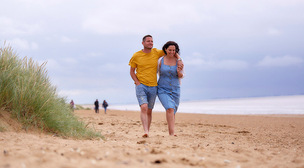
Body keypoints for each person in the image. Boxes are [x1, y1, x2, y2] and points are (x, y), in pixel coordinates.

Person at [129, 35, 183, 138]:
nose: (150, 43)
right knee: (144, 107)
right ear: (143, 43)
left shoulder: (156, 52)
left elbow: (171, 51)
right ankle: (146, 131)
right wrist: (137, 82)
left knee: (149, 110)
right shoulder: (136, 55)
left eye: (152, 41)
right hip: (141, 85)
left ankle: (147, 131)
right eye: (148, 41)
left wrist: (179, 59)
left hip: (154, 86)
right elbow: (131, 71)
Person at [157, 41, 184, 136]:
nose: (172, 52)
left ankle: (171, 131)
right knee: (169, 109)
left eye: (174, 50)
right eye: (170, 50)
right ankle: (172, 134)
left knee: (173, 111)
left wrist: (179, 71)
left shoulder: (179, 61)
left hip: (176, 89)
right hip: (162, 89)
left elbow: (181, 76)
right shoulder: (160, 60)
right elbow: (154, 72)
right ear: (165, 49)